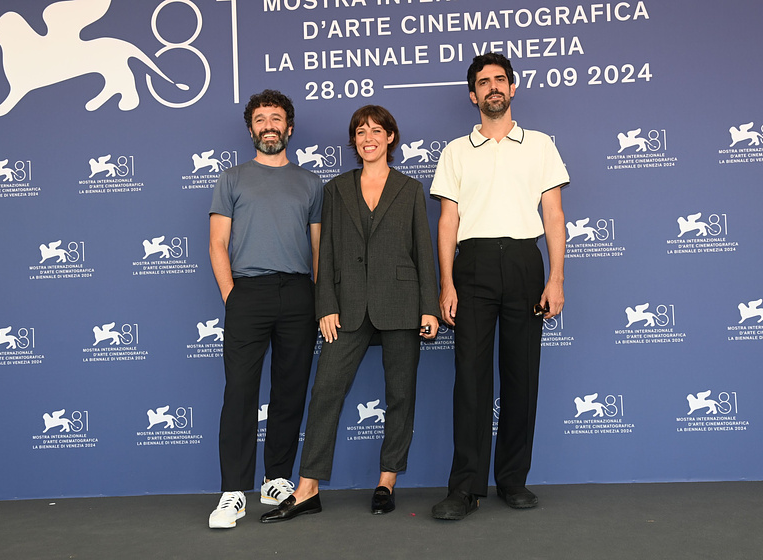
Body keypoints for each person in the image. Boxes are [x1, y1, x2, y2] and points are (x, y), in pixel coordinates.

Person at [260, 105, 440, 523]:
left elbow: (423, 251)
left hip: (401, 304)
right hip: (348, 306)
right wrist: (326, 305)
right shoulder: (336, 189)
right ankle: (307, 490)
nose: (369, 137)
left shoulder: (411, 189)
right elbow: (326, 253)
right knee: (324, 393)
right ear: (354, 141)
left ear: (391, 137)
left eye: (377, 130)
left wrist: (428, 307)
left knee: (401, 395)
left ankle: (386, 481)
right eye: (361, 131)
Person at [429, 53, 570, 520]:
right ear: (473, 95)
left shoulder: (541, 145)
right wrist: (446, 284)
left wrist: (556, 278)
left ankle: (512, 480)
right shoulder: (455, 151)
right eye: (483, 82)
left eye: (499, 80)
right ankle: (464, 488)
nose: (492, 87)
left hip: (526, 264)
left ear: (512, 89)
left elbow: (553, 216)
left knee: (521, 375)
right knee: (470, 379)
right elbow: (447, 223)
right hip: (472, 267)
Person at [207, 89, 323, 529]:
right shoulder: (232, 179)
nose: (269, 125)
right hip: (247, 293)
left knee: (290, 389)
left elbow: (317, 250)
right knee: (239, 391)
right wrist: (231, 296)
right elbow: (218, 243)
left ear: (288, 128)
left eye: (277, 118)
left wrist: (317, 297)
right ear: (251, 129)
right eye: (261, 119)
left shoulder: (311, 183)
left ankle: (275, 477)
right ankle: (233, 491)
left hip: (297, 293)